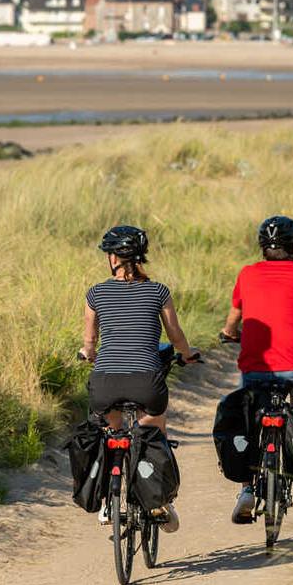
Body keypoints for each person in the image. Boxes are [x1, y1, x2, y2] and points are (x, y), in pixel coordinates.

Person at [78, 225, 200, 531]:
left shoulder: (95, 293)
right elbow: (175, 335)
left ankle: (107, 501)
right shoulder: (159, 292)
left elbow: (89, 343)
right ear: (140, 257)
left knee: (111, 431)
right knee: (153, 431)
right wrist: (187, 354)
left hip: (105, 382)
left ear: (112, 258)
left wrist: (88, 354)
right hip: (146, 381)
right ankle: (160, 498)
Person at [220, 214, 293, 524]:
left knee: (251, 414)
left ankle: (247, 489)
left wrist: (229, 334)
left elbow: (234, 317)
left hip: (255, 370)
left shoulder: (247, 274)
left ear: (263, 247)